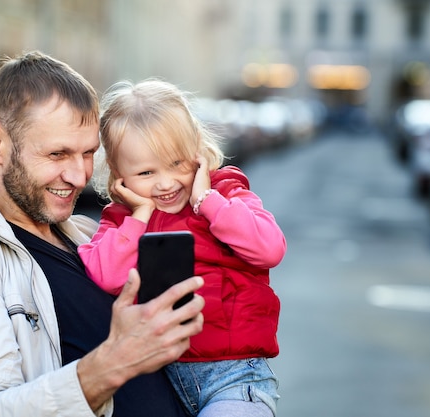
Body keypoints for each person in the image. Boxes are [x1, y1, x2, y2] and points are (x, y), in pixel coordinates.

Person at [0, 51, 206, 417]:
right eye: (57, 154)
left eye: (87, 154)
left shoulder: (86, 234)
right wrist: (113, 364)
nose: (80, 176)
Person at [78, 79, 287, 417]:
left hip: (234, 378)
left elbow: (270, 248)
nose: (165, 182)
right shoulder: (122, 221)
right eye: (146, 172)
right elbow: (106, 276)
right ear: (119, 176)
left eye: (177, 164)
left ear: (198, 153)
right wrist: (140, 217)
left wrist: (207, 201)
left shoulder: (226, 194)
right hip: (161, 382)